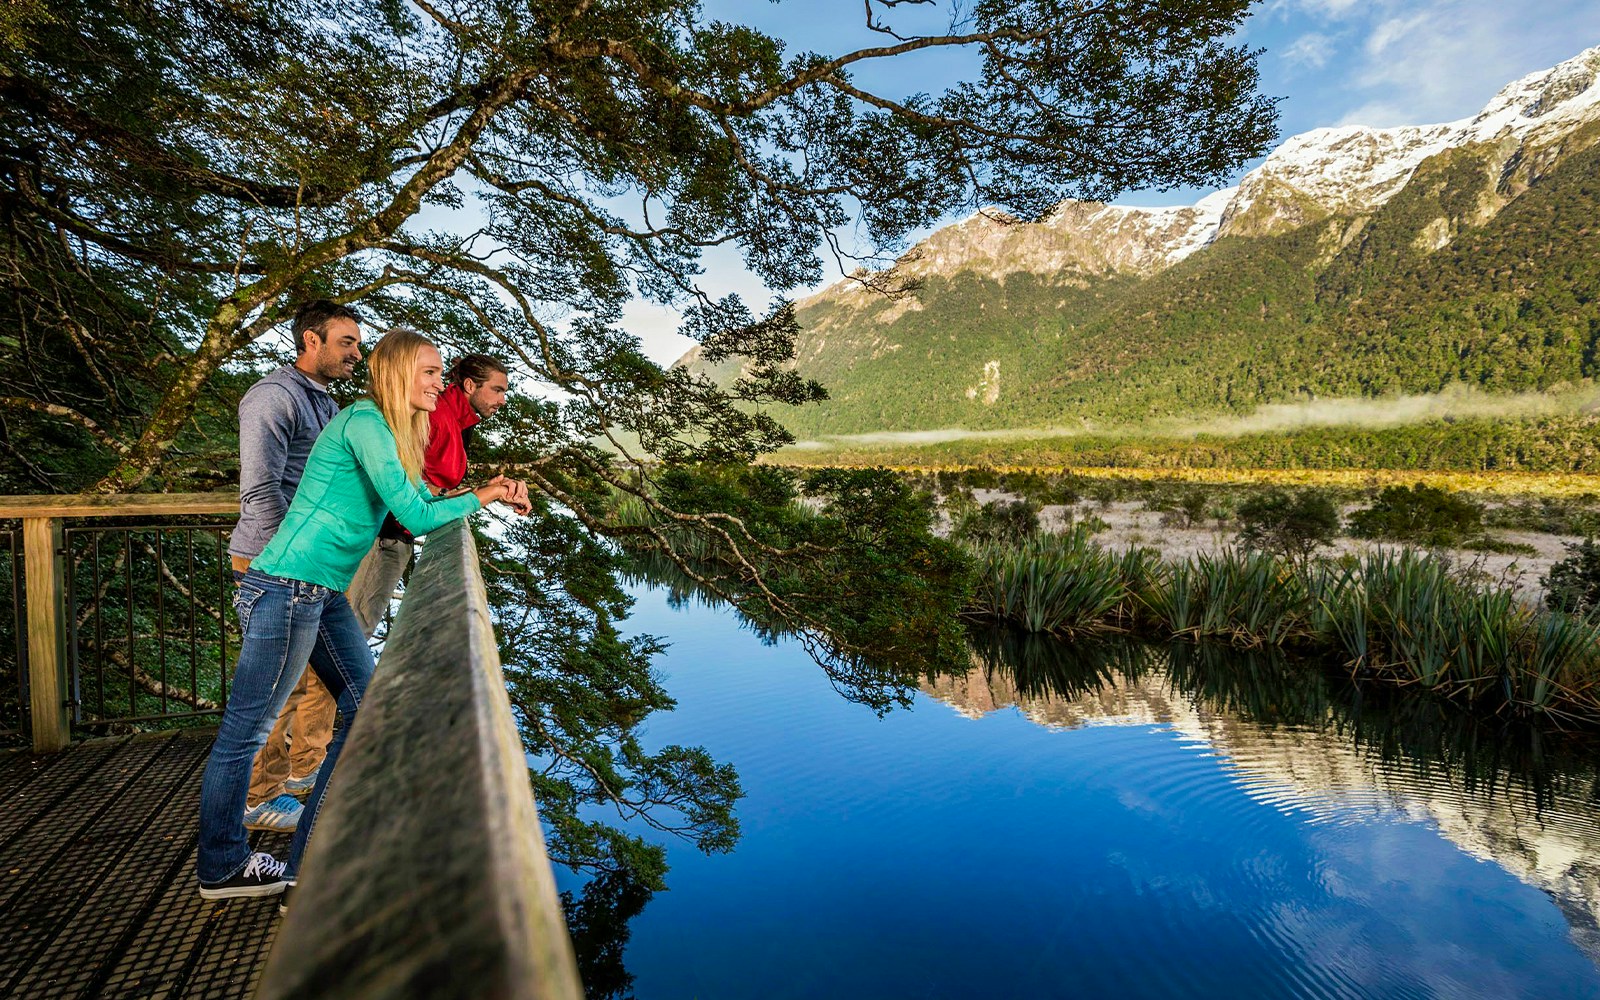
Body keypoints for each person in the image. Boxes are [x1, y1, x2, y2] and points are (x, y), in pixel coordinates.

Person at [196, 328, 528, 900]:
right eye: (430, 372)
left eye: (441, 373)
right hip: (287, 587)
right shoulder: (366, 422)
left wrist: (485, 487)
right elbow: (417, 519)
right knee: (244, 734)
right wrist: (488, 497)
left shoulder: (395, 430)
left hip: (318, 592)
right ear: (397, 373)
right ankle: (221, 867)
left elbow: (420, 503)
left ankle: (308, 863)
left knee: (364, 709)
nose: (440, 383)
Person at [228, 299, 362, 834]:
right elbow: (260, 492)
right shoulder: (273, 397)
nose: (357, 353)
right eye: (347, 342)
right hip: (275, 563)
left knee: (324, 686)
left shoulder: (324, 403)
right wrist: (292, 558)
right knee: (276, 693)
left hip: (311, 567)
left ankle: (301, 775)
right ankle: (256, 800)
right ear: (311, 340)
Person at [345, 353, 520, 636]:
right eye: (497, 390)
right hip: (382, 536)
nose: (502, 400)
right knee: (353, 629)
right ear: (470, 385)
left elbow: (429, 488)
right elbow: (402, 479)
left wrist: (489, 491)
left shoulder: (459, 422)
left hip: (399, 533)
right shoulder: (435, 416)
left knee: (355, 629)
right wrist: (487, 493)